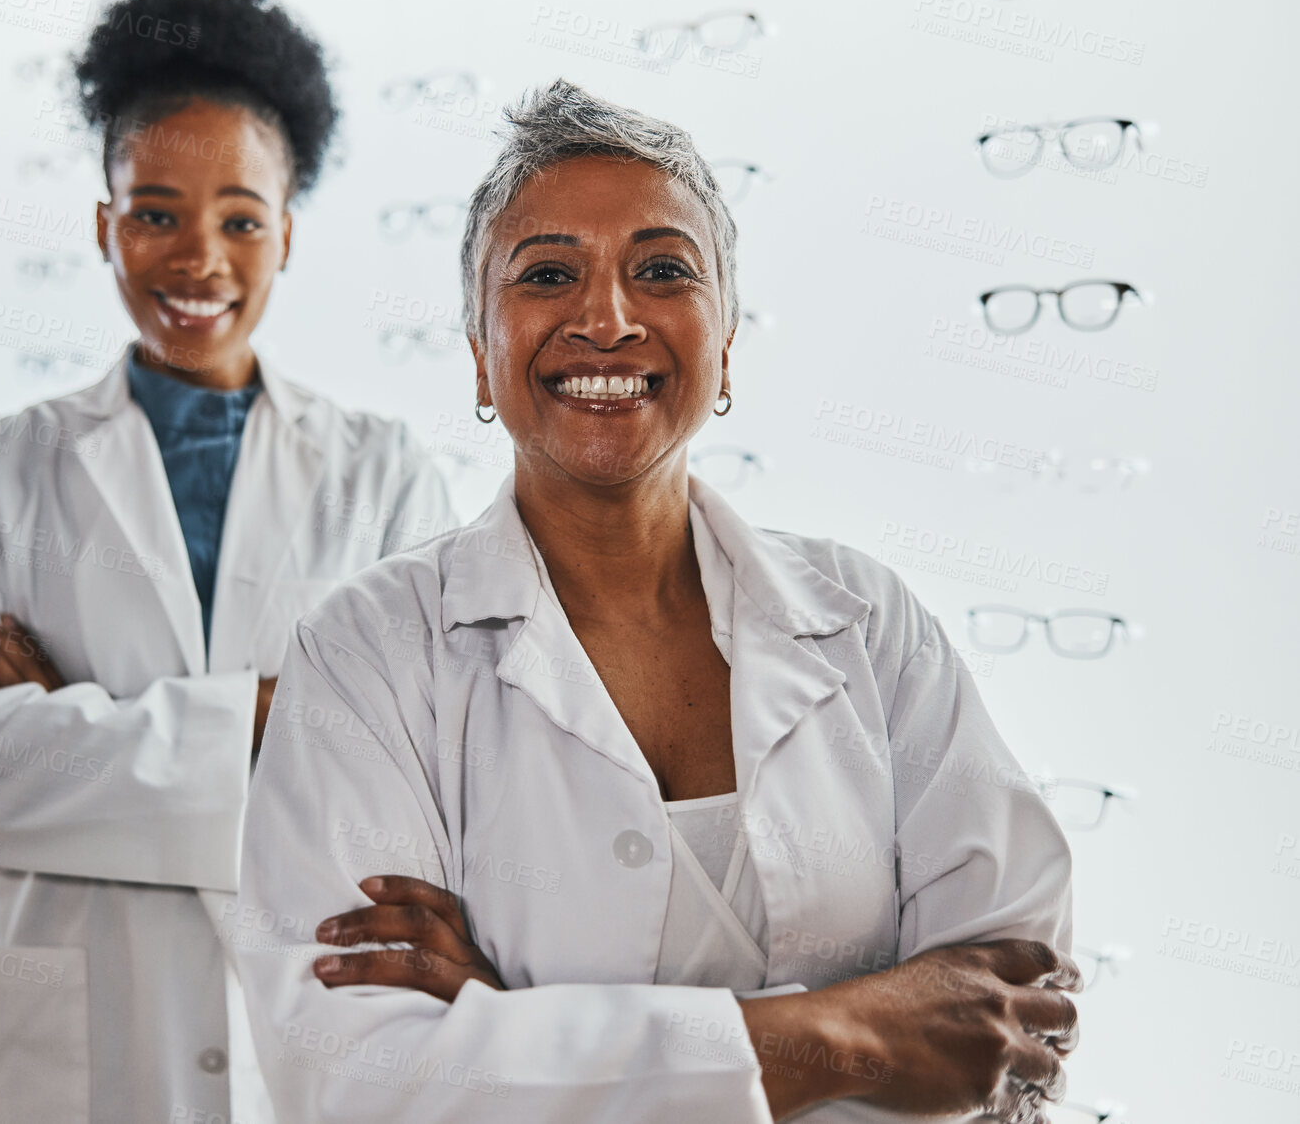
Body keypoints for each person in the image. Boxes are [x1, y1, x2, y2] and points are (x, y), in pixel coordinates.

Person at [236, 80, 1078, 1124]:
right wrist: (841, 1036)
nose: (607, 318)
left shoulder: (869, 624)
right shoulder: (369, 656)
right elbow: (355, 1079)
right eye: (548, 273)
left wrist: (516, 1032)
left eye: (663, 270)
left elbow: (1015, 1013)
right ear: (478, 359)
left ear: (724, 343)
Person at [0, 0, 453, 1121]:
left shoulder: (387, 477)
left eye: (241, 218)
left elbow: (419, 786)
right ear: (105, 223)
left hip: (316, 1045)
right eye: (155, 211)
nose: (199, 258)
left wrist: (68, 726)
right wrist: (265, 718)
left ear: (285, 233)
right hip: (85, 1070)